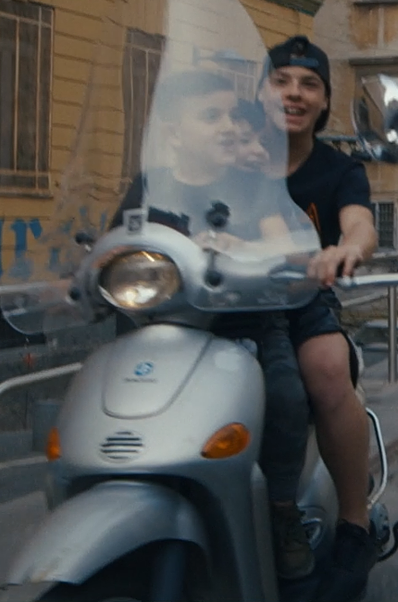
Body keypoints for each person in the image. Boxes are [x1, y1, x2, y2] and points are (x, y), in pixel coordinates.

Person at [110, 69, 314, 584]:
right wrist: (76, 278)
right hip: (163, 334)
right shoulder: (148, 187)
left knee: (286, 394)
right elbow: (111, 245)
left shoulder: (253, 185)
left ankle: (284, 510)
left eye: (231, 114)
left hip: (244, 330)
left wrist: (249, 250)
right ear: (174, 131)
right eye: (211, 116)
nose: (228, 125)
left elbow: (286, 247)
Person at [258, 35, 380, 601]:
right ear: (260, 92)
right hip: (223, 306)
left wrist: (346, 249)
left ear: (325, 102)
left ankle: (354, 524)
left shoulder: (338, 169)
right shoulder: (232, 153)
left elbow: (360, 224)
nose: (294, 93)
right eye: (281, 80)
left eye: (309, 84)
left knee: (330, 367)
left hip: (305, 299)